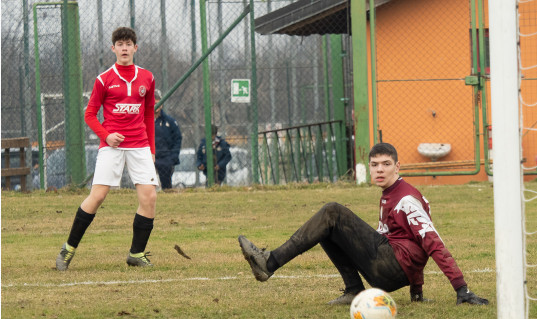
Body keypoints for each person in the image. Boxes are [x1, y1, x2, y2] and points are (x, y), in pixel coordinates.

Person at [238, 142, 489, 306]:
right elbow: (408, 242)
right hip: (392, 268)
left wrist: (462, 289)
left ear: (397, 167)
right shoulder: (390, 193)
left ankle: (269, 262)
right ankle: (354, 291)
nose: (380, 170)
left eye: (386, 164)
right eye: (375, 165)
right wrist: (416, 294)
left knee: (332, 212)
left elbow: (431, 243)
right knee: (328, 226)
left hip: (390, 268)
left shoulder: (407, 199)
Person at [55, 26, 157, 270]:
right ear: (113, 49)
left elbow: (149, 114)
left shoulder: (147, 77)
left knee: (149, 198)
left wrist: (151, 148)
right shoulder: (104, 79)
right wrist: (106, 135)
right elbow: (89, 114)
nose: (124, 48)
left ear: (135, 48)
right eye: (119, 44)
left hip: (140, 145)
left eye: (128, 43)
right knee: (98, 196)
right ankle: (67, 250)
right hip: (111, 147)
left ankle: (136, 253)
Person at [153, 90, 182, 189]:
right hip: (148, 158)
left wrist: (172, 158)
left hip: (165, 159)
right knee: (147, 185)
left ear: (161, 104)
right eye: (152, 103)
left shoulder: (170, 122)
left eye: (157, 103)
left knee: (166, 187)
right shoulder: (142, 121)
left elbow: (177, 139)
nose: (155, 106)